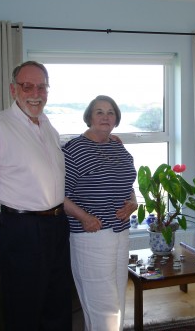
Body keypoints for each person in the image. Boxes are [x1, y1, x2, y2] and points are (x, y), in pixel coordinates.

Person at [0, 61, 71, 330]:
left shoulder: (48, 127)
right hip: (23, 230)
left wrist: (103, 137)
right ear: (14, 90)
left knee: (58, 305)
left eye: (41, 86)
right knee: (24, 310)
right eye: (27, 86)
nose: (35, 92)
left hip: (58, 226)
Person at [63, 95, 137, 331]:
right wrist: (84, 218)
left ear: (116, 118)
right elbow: (57, 195)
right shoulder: (74, 150)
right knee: (100, 304)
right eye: (99, 112)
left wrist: (133, 202)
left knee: (117, 298)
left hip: (120, 232)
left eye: (110, 112)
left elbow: (127, 184)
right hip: (91, 235)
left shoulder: (116, 145)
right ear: (89, 117)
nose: (105, 117)